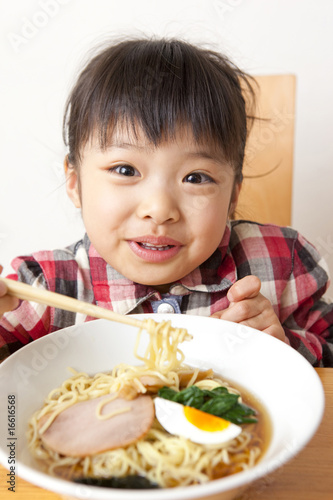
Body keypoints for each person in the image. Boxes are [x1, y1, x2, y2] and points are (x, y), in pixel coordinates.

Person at [0, 37, 332, 366]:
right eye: (125, 169)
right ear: (75, 182)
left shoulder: (283, 264)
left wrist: (286, 350)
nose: (159, 209)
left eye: (196, 178)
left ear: (233, 195)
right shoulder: (44, 290)